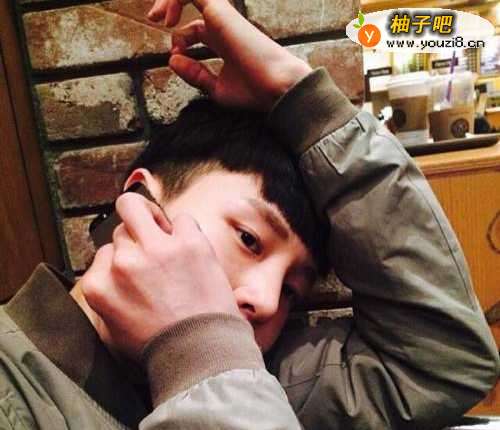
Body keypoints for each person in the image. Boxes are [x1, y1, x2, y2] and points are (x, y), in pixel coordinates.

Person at [0, 1, 498, 430]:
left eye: (291, 290)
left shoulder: (263, 378)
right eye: (248, 239)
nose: (265, 300)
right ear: (139, 202)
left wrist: (306, 103)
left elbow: (445, 364)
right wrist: (200, 358)